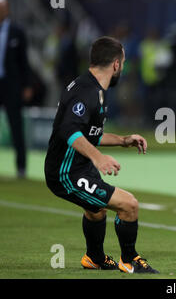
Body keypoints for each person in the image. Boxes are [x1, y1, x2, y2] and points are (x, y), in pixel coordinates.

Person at [44, 36, 159, 273]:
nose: (123, 68)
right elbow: (68, 129)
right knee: (129, 205)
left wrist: (123, 140)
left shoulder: (92, 87)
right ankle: (130, 261)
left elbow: (89, 133)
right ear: (116, 64)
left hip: (78, 167)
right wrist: (98, 157)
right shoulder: (87, 92)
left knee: (97, 210)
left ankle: (94, 258)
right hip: (67, 172)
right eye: (123, 63)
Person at [0, 0, 31, 178]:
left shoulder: (17, 31)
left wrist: (27, 85)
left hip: (11, 86)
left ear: (7, 9)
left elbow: (24, 61)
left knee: (16, 126)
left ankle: (21, 167)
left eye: (2, 8)